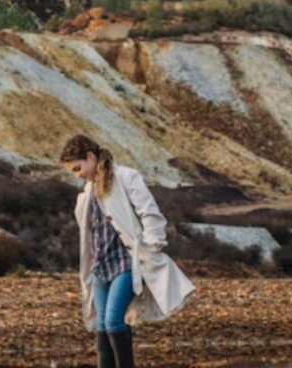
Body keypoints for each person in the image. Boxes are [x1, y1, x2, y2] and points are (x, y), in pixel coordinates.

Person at [59, 134, 195, 368]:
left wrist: (151, 247)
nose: (77, 174)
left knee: (113, 321)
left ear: (90, 157)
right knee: (101, 325)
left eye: (78, 168)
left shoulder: (126, 177)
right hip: (99, 267)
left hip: (125, 263)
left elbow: (149, 212)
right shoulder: (86, 193)